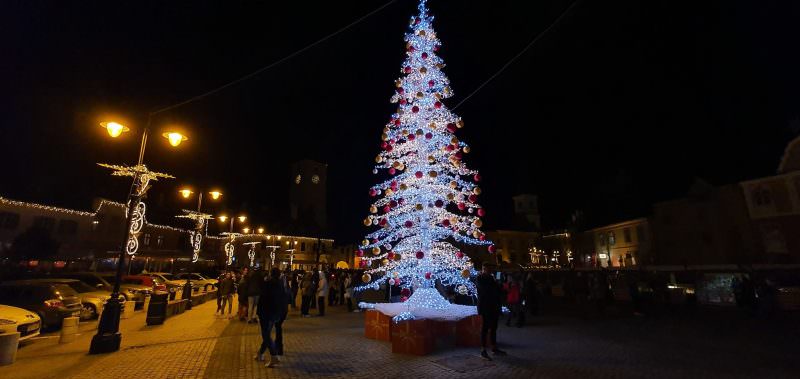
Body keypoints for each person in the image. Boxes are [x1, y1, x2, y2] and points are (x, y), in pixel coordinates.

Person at [255, 268, 289, 368]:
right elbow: (283, 299)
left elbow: (263, 299)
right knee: (267, 334)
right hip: (275, 313)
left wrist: (259, 312)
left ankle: (274, 356)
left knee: (266, 335)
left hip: (266, 313)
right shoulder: (280, 284)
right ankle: (260, 354)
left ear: (271, 274)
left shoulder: (268, 284)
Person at [476, 262, 506, 360]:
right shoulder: (480, 278)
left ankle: (494, 347)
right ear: (483, 269)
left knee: (494, 327)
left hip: (494, 306)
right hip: (485, 307)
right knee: (485, 328)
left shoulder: (492, 278)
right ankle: (483, 350)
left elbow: (499, 291)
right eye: (487, 269)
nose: (489, 271)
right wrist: (495, 285)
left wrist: (500, 284)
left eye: (490, 269)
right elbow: (485, 291)